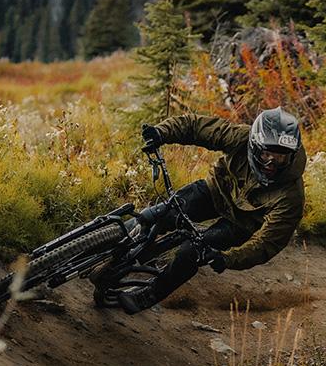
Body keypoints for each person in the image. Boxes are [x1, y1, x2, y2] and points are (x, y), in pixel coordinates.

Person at [117, 107, 307, 314]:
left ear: (291, 154)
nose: (271, 163)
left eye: (280, 158)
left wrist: (227, 258)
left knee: (191, 252)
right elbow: (195, 127)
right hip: (216, 190)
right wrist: (162, 132)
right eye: (266, 154)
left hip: (241, 223)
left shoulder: (292, 196)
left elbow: (267, 243)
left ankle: (149, 294)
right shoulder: (240, 137)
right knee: (162, 214)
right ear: (254, 145)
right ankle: (114, 236)